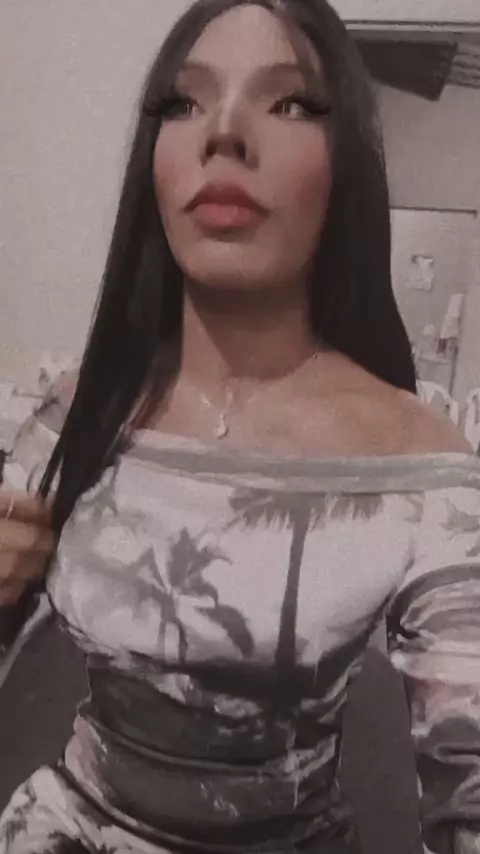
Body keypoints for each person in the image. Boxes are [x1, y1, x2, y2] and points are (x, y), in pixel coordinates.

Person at [0, 0, 478, 851]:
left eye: (289, 102)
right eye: (184, 101)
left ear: (348, 161)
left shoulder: (423, 466)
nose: (223, 131)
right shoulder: (78, 409)